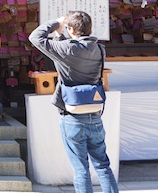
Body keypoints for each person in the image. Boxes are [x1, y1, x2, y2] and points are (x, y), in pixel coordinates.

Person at [29, 11, 119, 193]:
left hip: (73, 116)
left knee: (81, 169)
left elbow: (35, 37)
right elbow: (70, 48)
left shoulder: (67, 49)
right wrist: (63, 32)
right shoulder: (99, 49)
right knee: (102, 165)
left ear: (71, 29)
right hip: (95, 114)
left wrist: (56, 23)